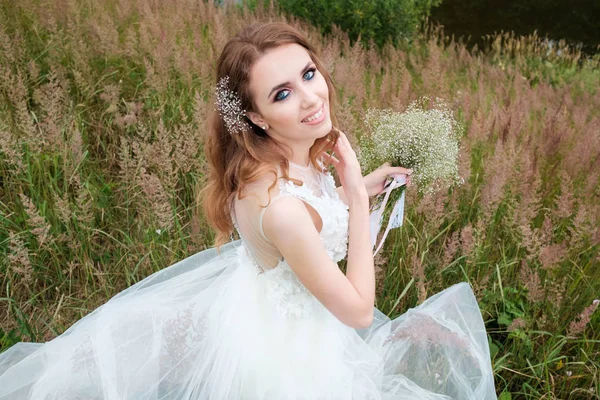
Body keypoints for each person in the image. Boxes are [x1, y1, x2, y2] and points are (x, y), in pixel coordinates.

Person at [0, 22, 497, 399]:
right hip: (290, 353)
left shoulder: (289, 157)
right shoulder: (277, 207)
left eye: (308, 74)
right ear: (256, 116)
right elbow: (358, 310)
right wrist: (359, 200)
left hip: (282, 315)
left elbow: (319, 211)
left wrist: (363, 186)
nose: (310, 98)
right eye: (283, 94)